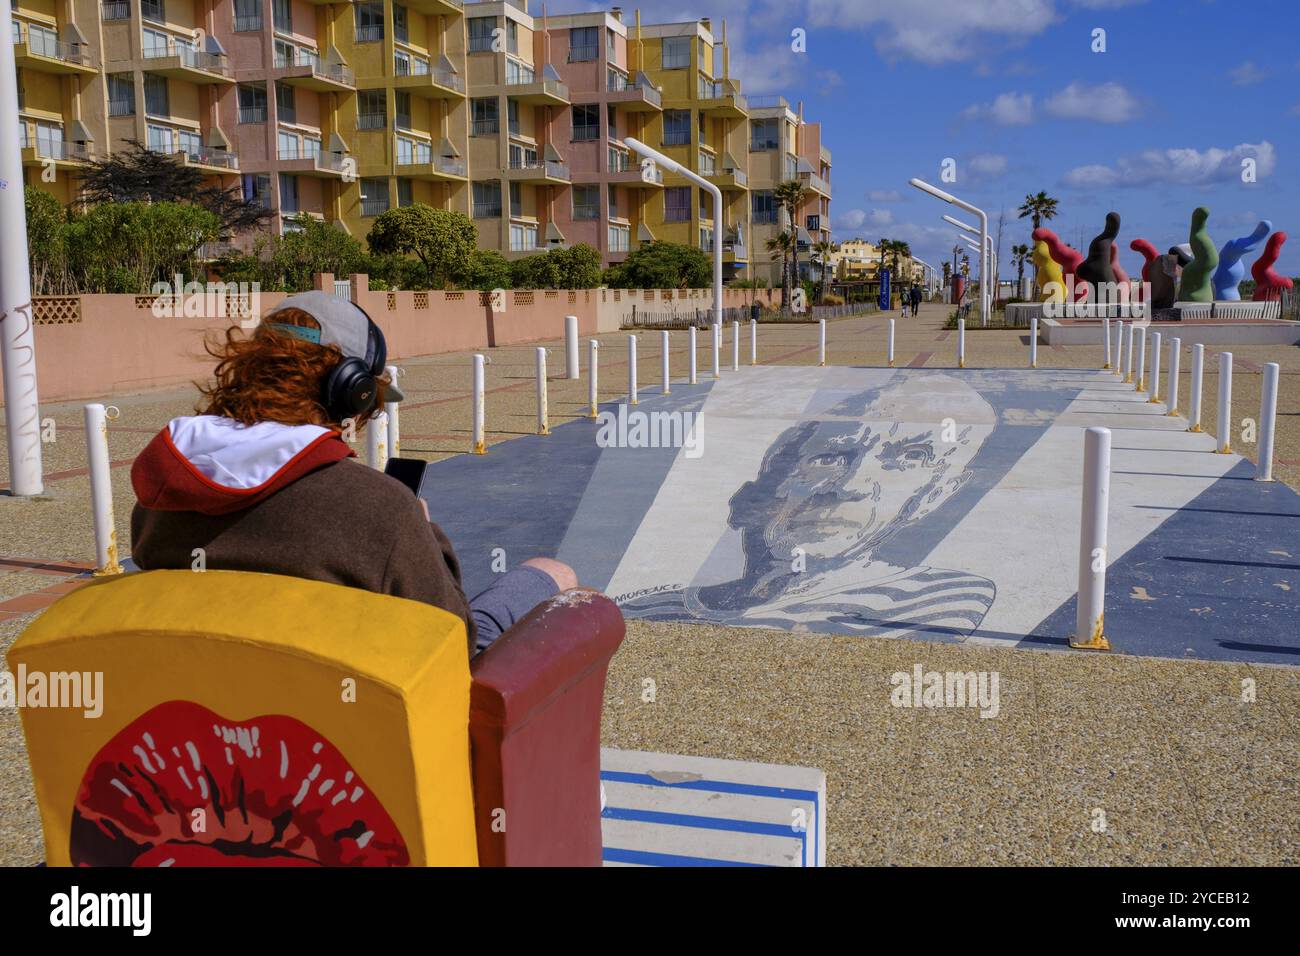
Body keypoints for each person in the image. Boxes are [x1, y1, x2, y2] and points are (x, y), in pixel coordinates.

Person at [129, 291, 576, 656]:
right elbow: (450, 639)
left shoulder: (159, 499)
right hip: (349, 727)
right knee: (551, 573)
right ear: (351, 391)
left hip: (201, 714)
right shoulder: (379, 507)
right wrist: (419, 530)